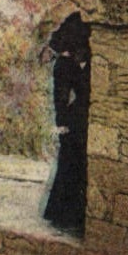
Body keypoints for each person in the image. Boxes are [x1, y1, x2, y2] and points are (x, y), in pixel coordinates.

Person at [41, 12, 90, 236]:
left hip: (82, 118)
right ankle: (65, 216)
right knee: (71, 164)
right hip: (74, 120)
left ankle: (70, 215)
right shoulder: (64, 65)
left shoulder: (86, 62)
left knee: (75, 166)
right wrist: (62, 124)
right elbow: (60, 100)